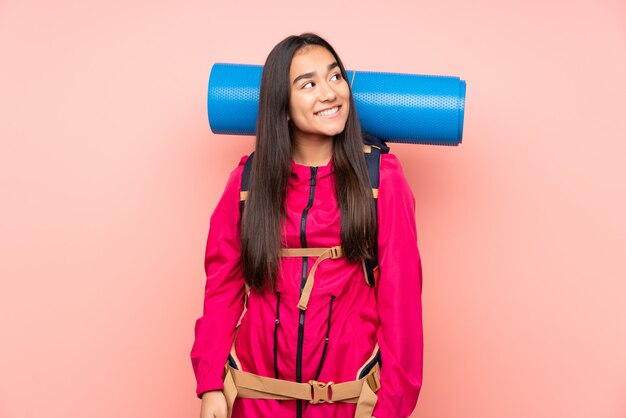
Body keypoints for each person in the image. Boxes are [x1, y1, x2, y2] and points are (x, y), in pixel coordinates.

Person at [190, 33, 423, 418]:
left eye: (335, 77)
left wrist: (391, 409)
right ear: (282, 106)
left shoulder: (383, 180)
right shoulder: (246, 183)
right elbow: (222, 289)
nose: (330, 93)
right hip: (255, 401)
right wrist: (211, 385)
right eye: (308, 84)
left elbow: (402, 307)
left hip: (349, 404)